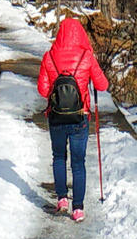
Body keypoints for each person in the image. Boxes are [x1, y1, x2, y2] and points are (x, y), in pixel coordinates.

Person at [37, 14, 109, 222]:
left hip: (56, 117)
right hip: (80, 117)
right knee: (78, 163)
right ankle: (78, 208)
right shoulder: (86, 57)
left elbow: (43, 90)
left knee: (59, 157)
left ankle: (61, 199)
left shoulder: (49, 56)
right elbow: (103, 85)